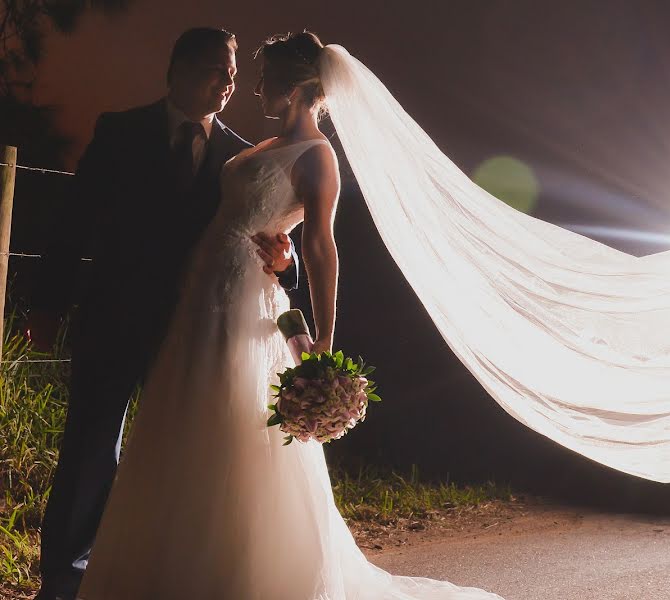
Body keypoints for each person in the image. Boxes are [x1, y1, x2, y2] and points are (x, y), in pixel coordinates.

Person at [74, 31, 505, 599]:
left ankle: (229, 573)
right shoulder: (253, 147)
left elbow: (322, 245)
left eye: (265, 77)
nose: (253, 87)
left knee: (227, 430)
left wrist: (323, 336)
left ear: (298, 86)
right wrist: (281, 245)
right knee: (179, 425)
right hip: (198, 299)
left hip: (241, 303)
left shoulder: (318, 156)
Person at [32, 28, 301, 600]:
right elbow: (73, 221)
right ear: (176, 68)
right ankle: (63, 579)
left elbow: (267, 234)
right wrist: (50, 303)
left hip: (199, 325)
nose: (227, 84)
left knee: (174, 453)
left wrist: (288, 261)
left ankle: (144, 571)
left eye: (232, 75)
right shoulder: (120, 130)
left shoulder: (241, 155)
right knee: (89, 445)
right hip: (115, 313)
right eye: (214, 70)